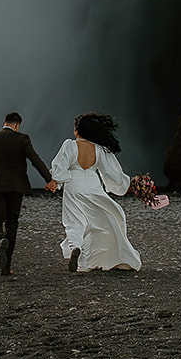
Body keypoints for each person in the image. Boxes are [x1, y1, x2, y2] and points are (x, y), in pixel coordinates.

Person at [50, 112, 141, 272]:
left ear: (78, 131)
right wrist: (127, 184)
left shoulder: (70, 145)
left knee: (74, 222)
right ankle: (104, 255)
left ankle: (75, 248)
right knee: (100, 221)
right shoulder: (99, 149)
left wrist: (56, 181)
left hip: (73, 184)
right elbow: (112, 173)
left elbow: (61, 165)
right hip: (93, 185)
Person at [0, 112, 57, 275]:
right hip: (16, 187)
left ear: (4, 122)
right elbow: (35, 160)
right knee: (12, 222)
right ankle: (6, 268)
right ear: (17, 125)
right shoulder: (22, 139)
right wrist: (49, 179)